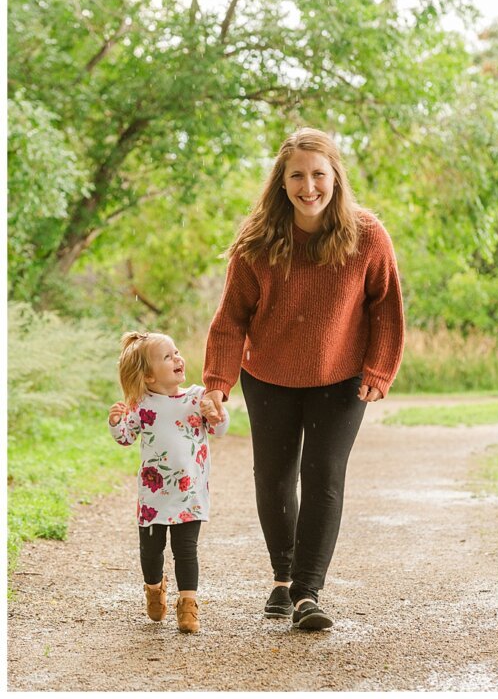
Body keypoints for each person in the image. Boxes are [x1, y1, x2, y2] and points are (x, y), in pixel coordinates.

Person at [201, 127, 405, 631]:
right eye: (297, 175)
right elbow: (231, 319)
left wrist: (380, 368)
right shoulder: (257, 241)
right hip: (269, 375)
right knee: (273, 480)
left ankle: (307, 593)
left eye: (319, 174)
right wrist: (216, 384)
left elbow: (386, 307)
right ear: (282, 181)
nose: (308, 186)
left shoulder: (366, 235)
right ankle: (282, 576)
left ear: (335, 176)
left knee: (324, 477)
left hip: (341, 377)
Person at [108, 331, 230, 634]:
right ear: (148, 376)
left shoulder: (197, 397)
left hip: (190, 493)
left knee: (186, 549)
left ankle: (188, 604)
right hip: (153, 496)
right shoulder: (141, 405)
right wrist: (114, 423)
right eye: (168, 356)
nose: (178, 358)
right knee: (151, 551)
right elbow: (126, 437)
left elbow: (220, 429)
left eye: (177, 352)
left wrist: (216, 414)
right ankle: (154, 588)